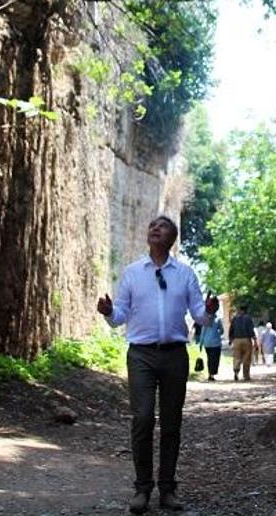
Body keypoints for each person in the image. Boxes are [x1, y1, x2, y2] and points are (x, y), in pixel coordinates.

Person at [97, 215, 218, 514]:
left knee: (171, 423)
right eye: (152, 225)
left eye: (162, 226)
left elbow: (200, 316)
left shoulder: (186, 274)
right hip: (141, 355)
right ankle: (142, 489)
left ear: (172, 237)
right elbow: (120, 315)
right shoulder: (133, 273)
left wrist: (211, 311)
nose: (154, 228)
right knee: (142, 418)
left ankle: (167, 490)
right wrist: (109, 311)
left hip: (176, 354)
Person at [228, 304, 256, 381]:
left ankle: (236, 372)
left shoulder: (234, 319)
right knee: (247, 358)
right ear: (246, 310)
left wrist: (230, 340)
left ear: (239, 310)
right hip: (246, 340)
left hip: (236, 340)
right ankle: (246, 376)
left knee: (237, 357)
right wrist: (255, 340)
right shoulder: (248, 318)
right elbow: (251, 330)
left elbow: (231, 330)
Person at [197, 304, 224, 381]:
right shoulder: (217, 319)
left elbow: (203, 332)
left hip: (207, 343)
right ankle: (212, 374)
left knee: (210, 358)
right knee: (215, 359)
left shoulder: (205, 319)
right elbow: (221, 330)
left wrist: (201, 343)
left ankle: (210, 374)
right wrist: (217, 333)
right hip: (216, 343)